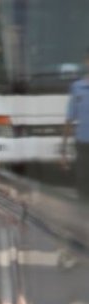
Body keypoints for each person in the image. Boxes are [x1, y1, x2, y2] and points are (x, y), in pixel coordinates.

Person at [62, 48, 89, 200]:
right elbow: (69, 119)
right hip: (83, 144)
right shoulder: (77, 87)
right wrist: (63, 151)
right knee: (83, 182)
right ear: (86, 62)